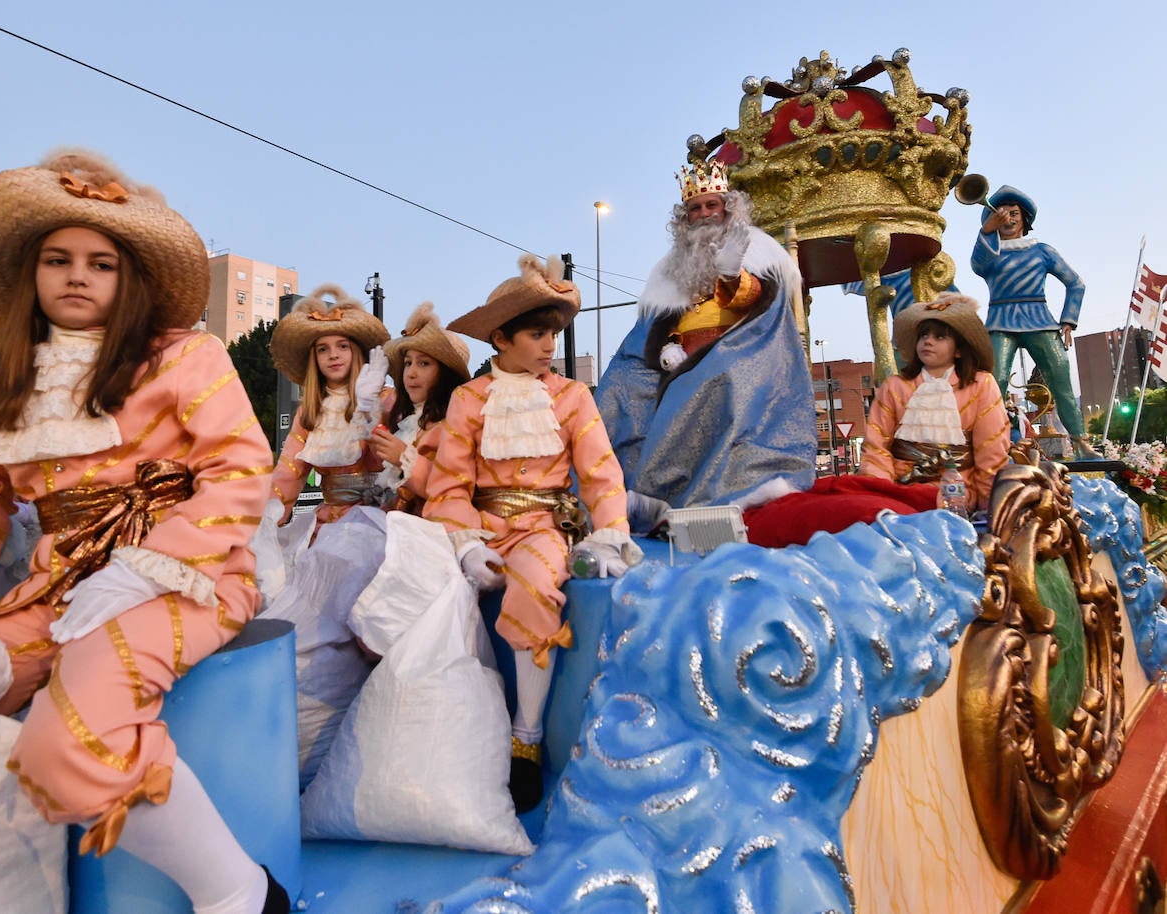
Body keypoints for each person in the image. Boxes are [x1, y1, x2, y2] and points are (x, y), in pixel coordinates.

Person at [0, 150, 289, 914]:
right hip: (55, 583)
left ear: (126, 279)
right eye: (57, 259)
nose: (77, 275)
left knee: (67, 742)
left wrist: (148, 564)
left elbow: (240, 470)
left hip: (190, 574)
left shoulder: (188, 357)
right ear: (29, 273)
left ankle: (239, 893)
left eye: (100, 263)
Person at [424, 253, 640, 813]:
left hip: (544, 528)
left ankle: (528, 737)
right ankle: (447, 730)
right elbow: (448, 484)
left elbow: (600, 473)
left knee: (535, 586)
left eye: (553, 334)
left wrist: (612, 529)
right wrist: (466, 545)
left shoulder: (573, 397)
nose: (549, 345)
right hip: (480, 529)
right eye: (536, 334)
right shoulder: (467, 400)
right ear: (501, 337)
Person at [596, 157, 816, 514]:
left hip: (735, 349)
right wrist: (664, 349)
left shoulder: (756, 248)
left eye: (711, 205)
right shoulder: (673, 265)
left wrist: (733, 276)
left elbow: (763, 305)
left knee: (713, 376)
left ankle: (686, 493)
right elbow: (656, 324)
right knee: (619, 382)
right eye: (695, 209)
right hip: (677, 357)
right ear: (685, 218)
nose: (704, 214)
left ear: (727, 209)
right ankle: (616, 489)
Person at [971, 184, 1096, 459]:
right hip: (1000, 323)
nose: (1009, 218)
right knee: (994, 383)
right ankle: (991, 446)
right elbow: (977, 266)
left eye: (1014, 213)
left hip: (1040, 320)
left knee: (1061, 381)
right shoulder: (990, 253)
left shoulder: (1042, 251)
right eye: (1001, 213)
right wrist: (986, 232)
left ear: (1025, 219)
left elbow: (1076, 283)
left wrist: (1068, 320)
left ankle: (1080, 443)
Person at [860, 292, 1011, 512]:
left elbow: (991, 451)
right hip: (897, 493)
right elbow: (876, 448)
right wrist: (882, 494)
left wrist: (992, 507)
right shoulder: (894, 386)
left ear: (959, 349)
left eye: (939, 337)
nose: (927, 341)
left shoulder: (982, 385)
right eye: (923, 335)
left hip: (957, 494)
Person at [269, 286, 392, 527]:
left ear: (356, 351)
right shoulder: (309, 410)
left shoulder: (387, 398)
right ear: (314, 359)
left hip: (382, 520)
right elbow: (288, 473)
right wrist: (267, 520)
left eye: (342, 346)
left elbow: (397, 460)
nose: (333, 355)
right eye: (322, 349)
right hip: (330, 524)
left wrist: (369, 411)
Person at [369, 302, 471, 513]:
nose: (411, 373)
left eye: (424, 363)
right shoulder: (404, 422)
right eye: (408, 363)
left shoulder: (457, 426)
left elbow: (452, 491)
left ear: (444, 373)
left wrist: (404, 459)